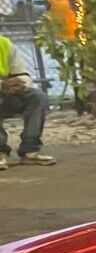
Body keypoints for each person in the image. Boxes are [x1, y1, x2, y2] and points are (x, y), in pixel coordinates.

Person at [0, 33, 54, 170]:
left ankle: (29, 151)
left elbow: (21, 74)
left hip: (6, 95)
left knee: (37, 96)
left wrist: (21, 83)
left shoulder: (5, 44)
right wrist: (2, 85)